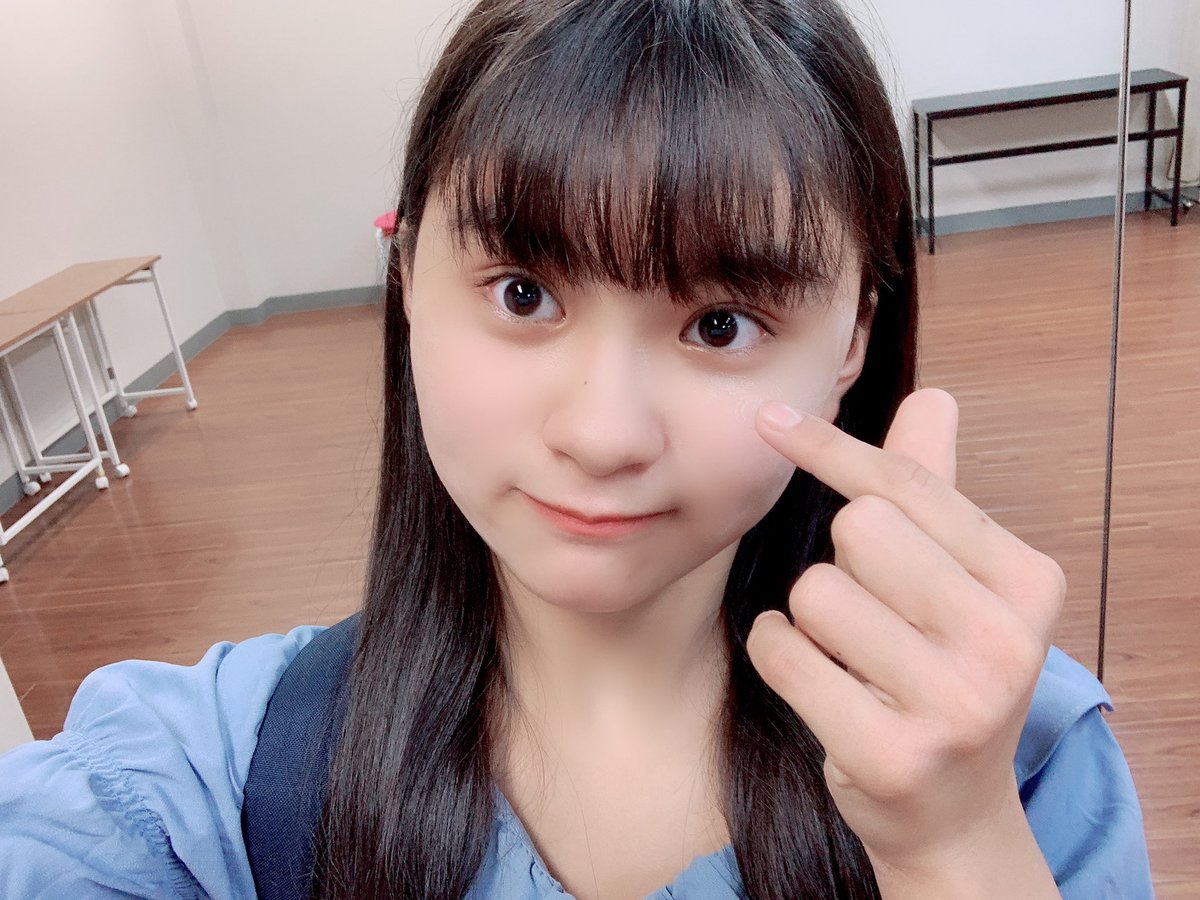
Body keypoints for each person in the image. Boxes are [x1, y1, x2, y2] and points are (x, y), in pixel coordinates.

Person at [0, 0, 1153, 897]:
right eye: (523, 294)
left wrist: (955, 847)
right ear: (407, 285)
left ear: (853, 338)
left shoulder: (1015, 755)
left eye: (720, 324)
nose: (602, 435)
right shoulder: (212, 772)